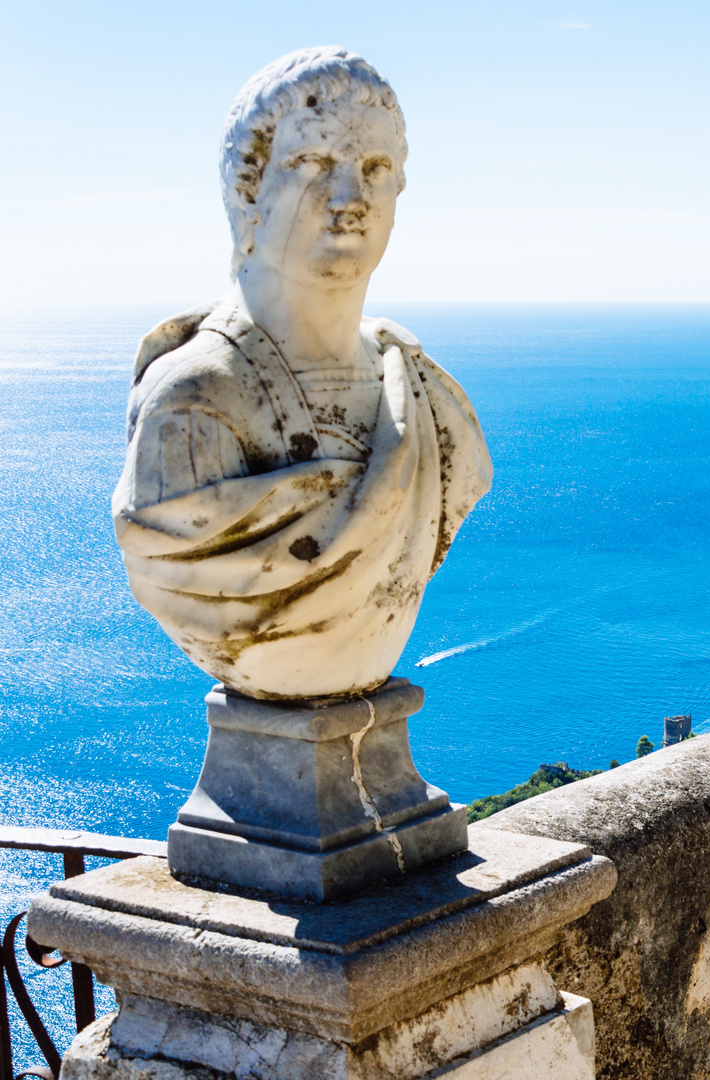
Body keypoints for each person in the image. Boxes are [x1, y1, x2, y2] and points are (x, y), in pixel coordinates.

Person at [112, 47, 492, 700]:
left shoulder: (424, 394)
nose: (350, 198)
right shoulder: (195, 402)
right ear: (248, 191)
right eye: (314, 164)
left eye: (375, 169)